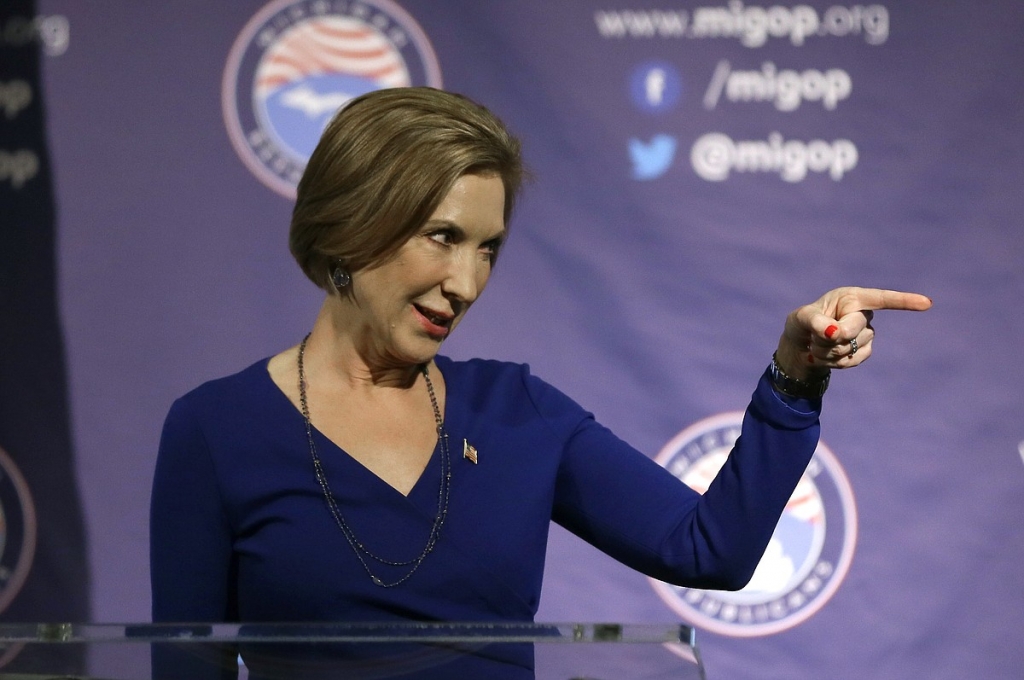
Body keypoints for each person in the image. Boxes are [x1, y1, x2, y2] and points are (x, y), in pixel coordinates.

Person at [150, 87, 931, 679]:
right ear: (353, 223)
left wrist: (794, 377)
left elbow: (711, 552)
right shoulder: (217, 431)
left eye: (488, 248)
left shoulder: (515, 412)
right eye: (444, 237)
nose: (466, 282)